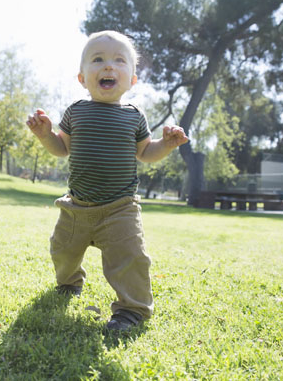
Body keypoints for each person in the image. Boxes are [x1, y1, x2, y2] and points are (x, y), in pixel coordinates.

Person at [26, 30, 188, 331]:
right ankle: (70, 283)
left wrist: (165, 145)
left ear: (132, 80)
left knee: (131, 258)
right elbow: (62, 149)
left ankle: (132, 310)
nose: (108, 66)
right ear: (82, 78)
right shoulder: (76, 111)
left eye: (119, 61)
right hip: (77, 207)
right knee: (62, 251)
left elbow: (145, 153)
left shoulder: (134, 116)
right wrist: (44, 134)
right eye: (97, 59)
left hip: (120, 208)